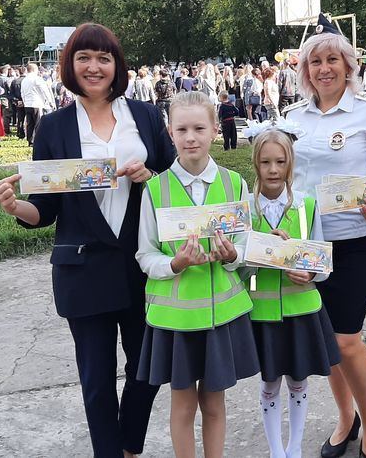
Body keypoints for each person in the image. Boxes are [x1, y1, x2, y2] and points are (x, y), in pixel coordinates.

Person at [0, 23, 174, 457]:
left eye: (103, 58)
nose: (94, 67)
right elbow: (44, 209)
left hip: (141, 266)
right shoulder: (53, 127)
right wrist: (16, 207)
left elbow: (174, 182)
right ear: (70, 65)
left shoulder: (145, 117)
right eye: (84, 58)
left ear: (117, 65)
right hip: (84, 269)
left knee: (148, 369)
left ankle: (128, 445)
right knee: (96, 380)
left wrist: (150, 176)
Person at [285, 14, 366, 458]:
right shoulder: (291, 117)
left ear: (348, 65)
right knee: (325, 341)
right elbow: (283, 179)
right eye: (315, 62)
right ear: (305, 70)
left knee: (346, 339)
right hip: (309, 244)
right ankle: (345, 418)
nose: (324, 69)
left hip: (358, 241)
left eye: (332, 59)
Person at [136, 91, 259, 458]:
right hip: (176, 321)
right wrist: (174, 264)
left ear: (215, 130)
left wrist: (233, 254)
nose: (191, 137)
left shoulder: (234, 183)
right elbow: (145, 254)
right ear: (170, 133)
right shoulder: (155, 189)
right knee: (183, 405)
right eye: (182, 129)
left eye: (199, 128)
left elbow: (247, 247)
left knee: (215, 403)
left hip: (222, 317)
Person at [239, 124, 340, 458]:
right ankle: (276, 451)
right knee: (269, 384)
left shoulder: (307, 205)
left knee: (298, 382)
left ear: (290, 164)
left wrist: (310, 272)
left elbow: (322, 263)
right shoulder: (245, 210)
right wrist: (260, 253)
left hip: (302, 310)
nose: (273, 169)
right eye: (265, 162)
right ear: (255, 163)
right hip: (263, 313)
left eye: (280, 162)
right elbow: (238, 268)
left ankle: (294, 448)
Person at [21, 63, 53, 145]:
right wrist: (50, 101)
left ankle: (30, 140)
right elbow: (44, 90)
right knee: (38, 123)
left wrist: (24, 102)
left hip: (27, 104)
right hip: (37, 103)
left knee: (30, 123)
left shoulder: (24, 80)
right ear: (35, 70)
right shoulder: (37, 79)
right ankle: (38, 140)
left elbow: (22, 93)